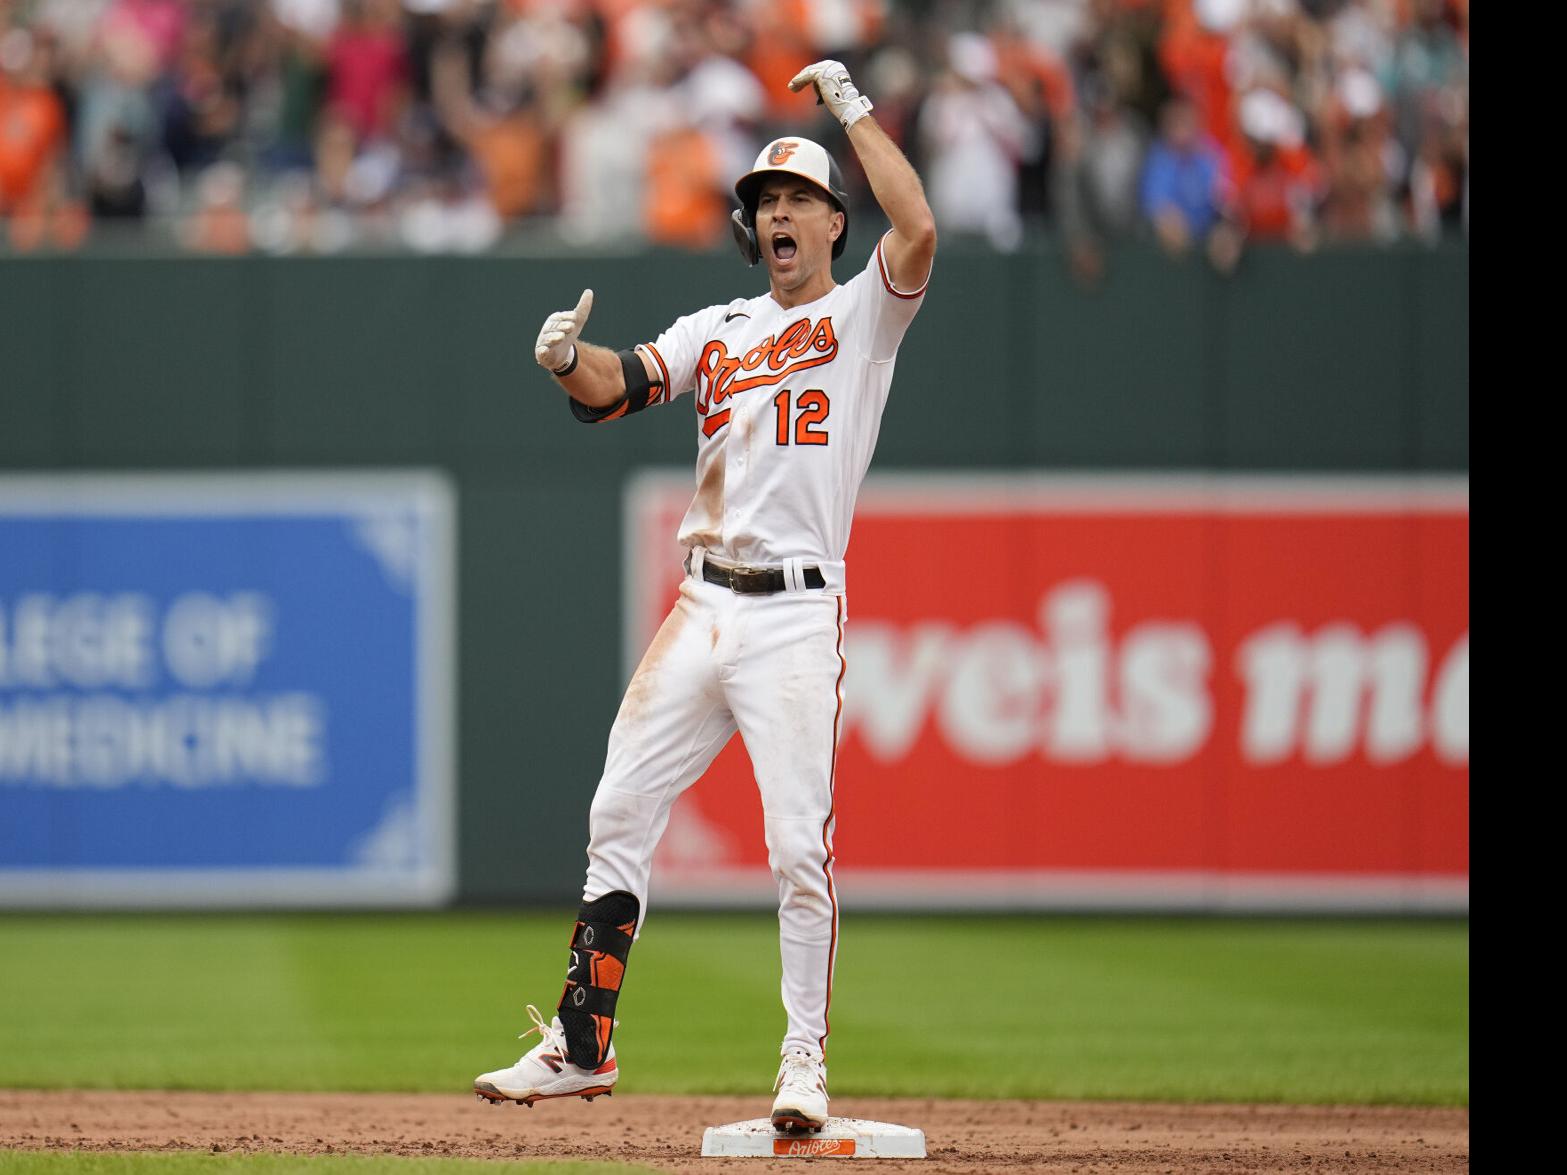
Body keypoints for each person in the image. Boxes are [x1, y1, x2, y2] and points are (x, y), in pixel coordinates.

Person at [473, 58, 936, 1135]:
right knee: (616, 809)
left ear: (832, 224)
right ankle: (583, 1044)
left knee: (793, 847)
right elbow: (618, 384)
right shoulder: (718, 324)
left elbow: (916, 230)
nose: (776, 215)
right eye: (764, 203)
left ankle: (804, 1062)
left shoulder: (866, 315)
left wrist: (851, 113)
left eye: (797, 202)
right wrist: (561, 359)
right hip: (703, 602)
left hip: (792, 611)